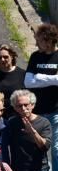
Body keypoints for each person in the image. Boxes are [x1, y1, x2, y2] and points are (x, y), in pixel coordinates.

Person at [5, 89, 52, 171]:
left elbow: (45, 146)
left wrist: (32, 131)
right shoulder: (12, 123)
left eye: (26, 105)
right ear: (15, 108)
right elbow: (4, 145)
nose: (24, 108)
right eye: (19, 106)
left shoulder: (44, 123)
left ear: (33, 105)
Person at [26, 23, 58, 152]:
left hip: (55, 111)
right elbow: (28, 82)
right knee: (38, 147)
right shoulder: (35, 56)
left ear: (48, 41)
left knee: (56, 149)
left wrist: (38, 77)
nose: (36, 44)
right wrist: (53, 79)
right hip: (37, 111)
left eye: (38, 41)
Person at [0, 44, 27, 120]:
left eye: (5, 57)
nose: (2, 60)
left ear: (12, 56)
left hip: (17, 117)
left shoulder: (22, 74)